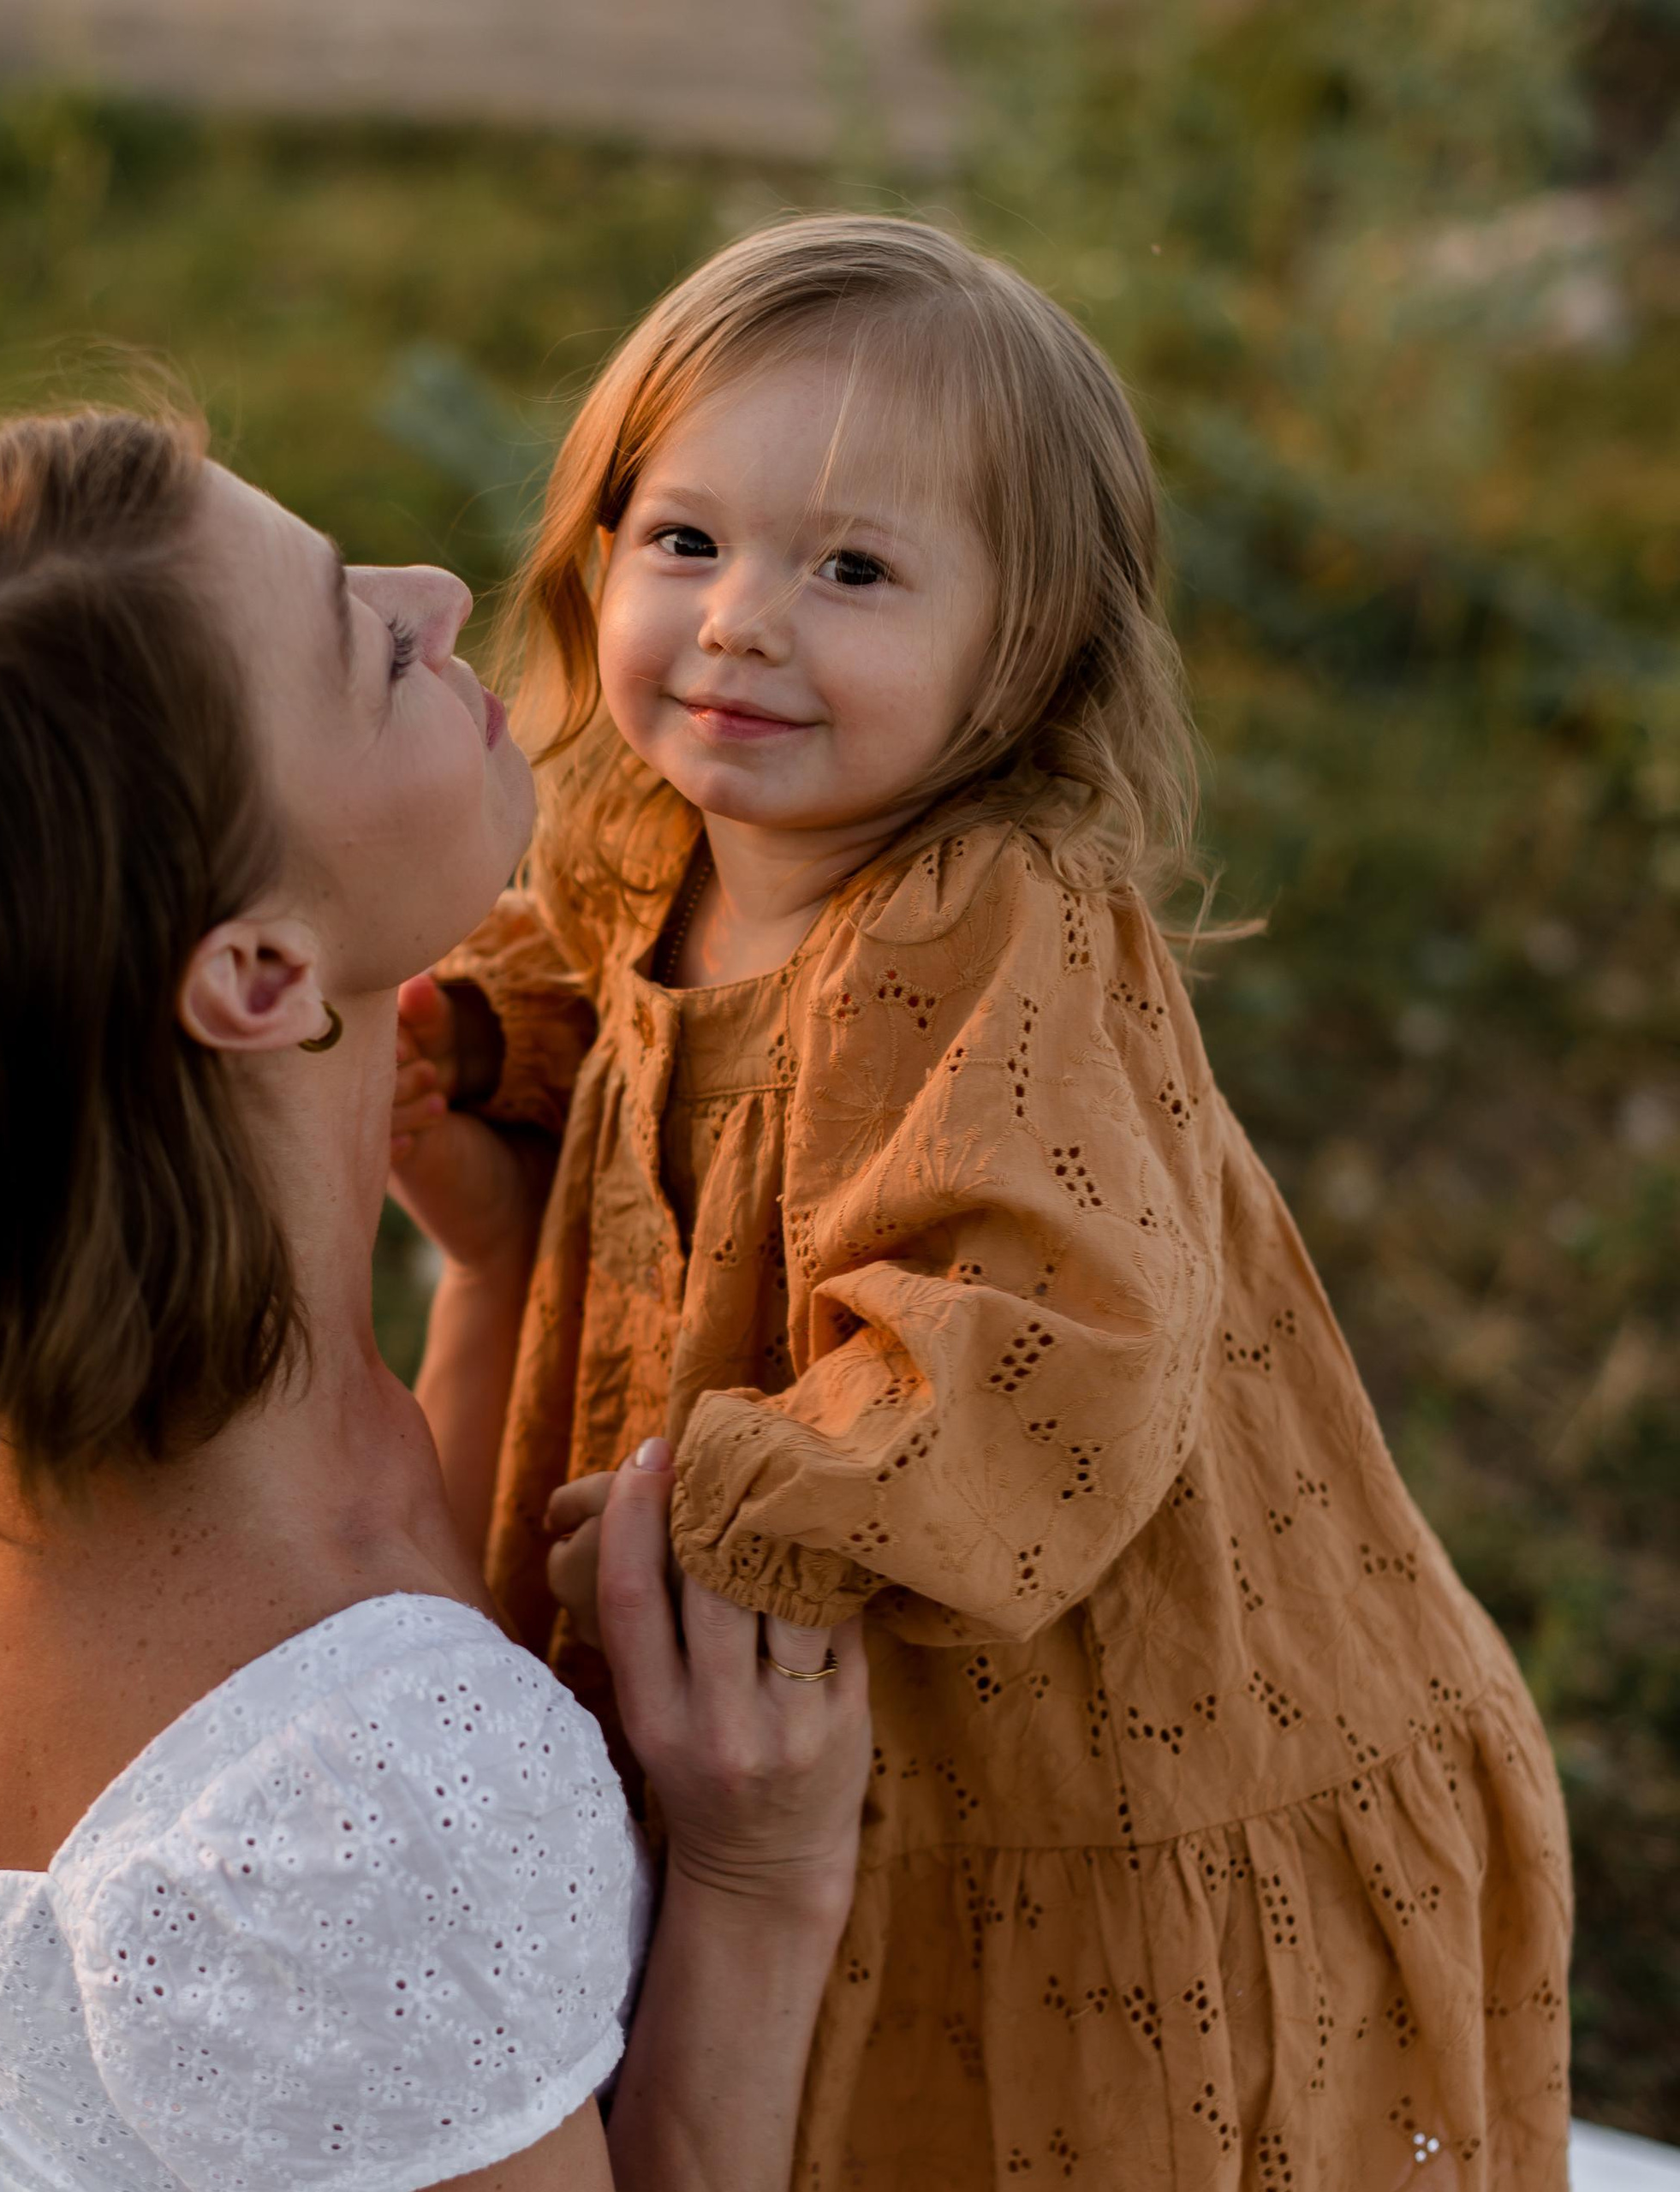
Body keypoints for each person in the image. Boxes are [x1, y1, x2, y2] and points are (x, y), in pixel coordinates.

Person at [389, 214, 1575, 2190]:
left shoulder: (979, 918)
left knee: (1014, 2097)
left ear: (1025, 650)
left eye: (850, 569)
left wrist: (742, 1495)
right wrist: (487, 1049)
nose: (741, 621)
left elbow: (1045, 1346)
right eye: (683, 541)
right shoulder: (659, 837)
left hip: (1063, 1728)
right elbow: (583, 980)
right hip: (823, 1701)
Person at [0, 408, 871, 2190]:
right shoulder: (337, 1810)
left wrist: (484, 1284)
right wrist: (759, 1867)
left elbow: (372, 1622)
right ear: (255, 974)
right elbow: (348, 1781)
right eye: (372, 645)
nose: (444, 591)